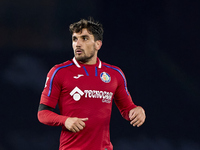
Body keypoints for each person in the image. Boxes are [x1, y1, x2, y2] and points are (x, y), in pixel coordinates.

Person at [37, 18, 146, 150]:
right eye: (75, 39)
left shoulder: (115, 74)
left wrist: (137, 110)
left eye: (84, 38)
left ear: (98, 44)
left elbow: (127, 109)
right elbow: (43, 114)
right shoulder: (59, 72)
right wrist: (65, 120)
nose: (78, 44)